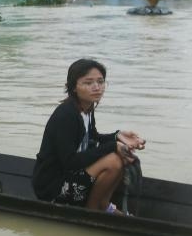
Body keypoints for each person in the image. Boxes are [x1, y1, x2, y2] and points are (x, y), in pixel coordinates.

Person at [33, 59, 146, 213]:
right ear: (73, 87)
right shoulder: (66, 115)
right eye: (88, 83)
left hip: (73, 175)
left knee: (121, 157)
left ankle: (103, 204)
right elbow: (70, 161)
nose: (96, 87)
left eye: (100, 82)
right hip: (52, 188)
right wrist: (113, 146)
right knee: (113, 160)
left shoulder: (86, 109)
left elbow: (92, 138)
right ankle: (92, 210)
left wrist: (118, 136)